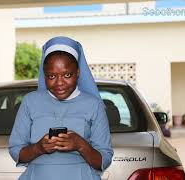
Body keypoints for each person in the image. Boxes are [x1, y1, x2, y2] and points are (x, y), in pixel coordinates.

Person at [8, 36, 113, 180]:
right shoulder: (30, 101)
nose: (59, 83)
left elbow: (104, 160)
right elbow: (16, 151)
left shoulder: (93, 105)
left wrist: (80, 145)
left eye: (67, 75)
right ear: (44, 76)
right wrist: (38, 148)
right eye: (51, 76)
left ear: (78, 73)